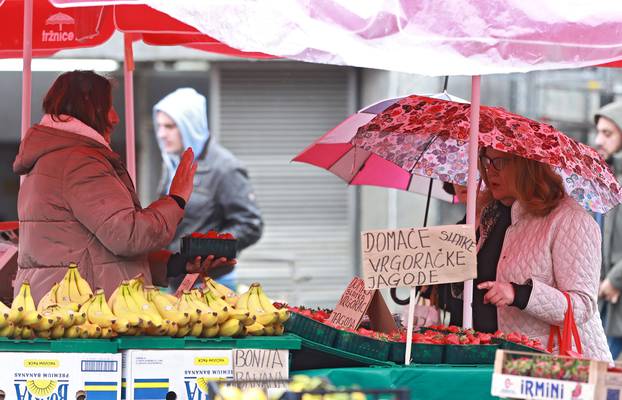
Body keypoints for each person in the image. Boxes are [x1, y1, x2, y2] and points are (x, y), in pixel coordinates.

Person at [12, 71, 218, 302]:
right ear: (90, 107)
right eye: (109, 106)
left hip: (66, 306)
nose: (115, 117)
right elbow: (128, 237)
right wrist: (177, 199)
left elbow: (98, 249)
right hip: (83, 314)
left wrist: (176, 264)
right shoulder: (79, 162)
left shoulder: (56, 159)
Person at [475, 146, 612, 361]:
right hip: (499, 362)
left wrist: (519, 294)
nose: (490, 170)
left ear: (527, 167)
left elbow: (582, 306)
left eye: (499, 162)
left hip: (553, 367)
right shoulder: (491, 214)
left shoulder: (570, 220)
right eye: (485, 160)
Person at [154, 88, 263, 290]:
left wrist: (205, 251)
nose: (161, 134)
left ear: (190, 126)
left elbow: (250, 224)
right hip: (175, 279)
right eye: (159, 126)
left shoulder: (225, 168)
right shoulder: (171, 164)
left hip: (210, 283)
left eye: (169, 126)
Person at [593, 100, 622, 358]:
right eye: (599, 132)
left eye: (608, 133)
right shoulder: (607, 178)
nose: (598, 140)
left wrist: (615, 279)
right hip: (606, 295)